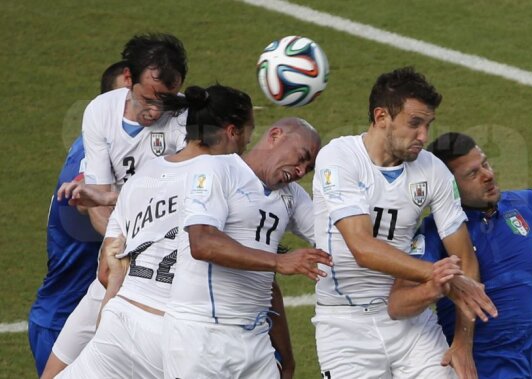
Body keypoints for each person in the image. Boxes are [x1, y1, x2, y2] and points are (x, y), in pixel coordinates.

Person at [55, 84, 257, 378]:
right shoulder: (234, 179)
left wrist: (105, 329)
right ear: (232, 131)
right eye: (249, 131)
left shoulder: (143, 176)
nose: (248, 142)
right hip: (179, 336)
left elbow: (108, 270)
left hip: (120, 323)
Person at [312, 67, 497, 379]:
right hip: (344, 327)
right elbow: (362, 248)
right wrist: (436, 274)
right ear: (382, 116)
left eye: (428, 125)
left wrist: (463, 342)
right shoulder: (339, 157)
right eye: (414, 123)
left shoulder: (433, 171)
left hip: (411, 321)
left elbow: (465, 259)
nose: (423, 136)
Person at [42, 33, 188, 379]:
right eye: (149, 98)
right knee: (53, 371)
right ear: (128, 79)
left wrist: (107, 201)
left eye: (167, 100)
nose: (157, 110)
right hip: (116, 262)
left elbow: (175, 201)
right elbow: (98, 205)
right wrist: (114, 245)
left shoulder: (185, 120)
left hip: (159, 278)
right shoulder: (101, 111)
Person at [388, 132, 532, 379]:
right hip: (475, 369)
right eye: (473, 174)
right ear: (448, 186)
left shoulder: (525, 204)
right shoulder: (436, 233)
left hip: (522, 366)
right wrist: (436, 287)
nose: (488, 175)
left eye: (485, 163)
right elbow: (398, 304)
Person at [162, 117, 333, 379]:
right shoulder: (217, 168)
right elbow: (203, 242)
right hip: (200, 335)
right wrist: (278, 262)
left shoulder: (293, 195)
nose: (300, 171)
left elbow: (335, 239)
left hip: (255, 338)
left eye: (307, 168)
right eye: (301, 158)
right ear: (275, 135)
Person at [27, 60, 131, 377]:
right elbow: (91, 207)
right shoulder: (89, 151)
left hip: (97, 309)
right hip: (66, 319)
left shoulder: (122, 149)